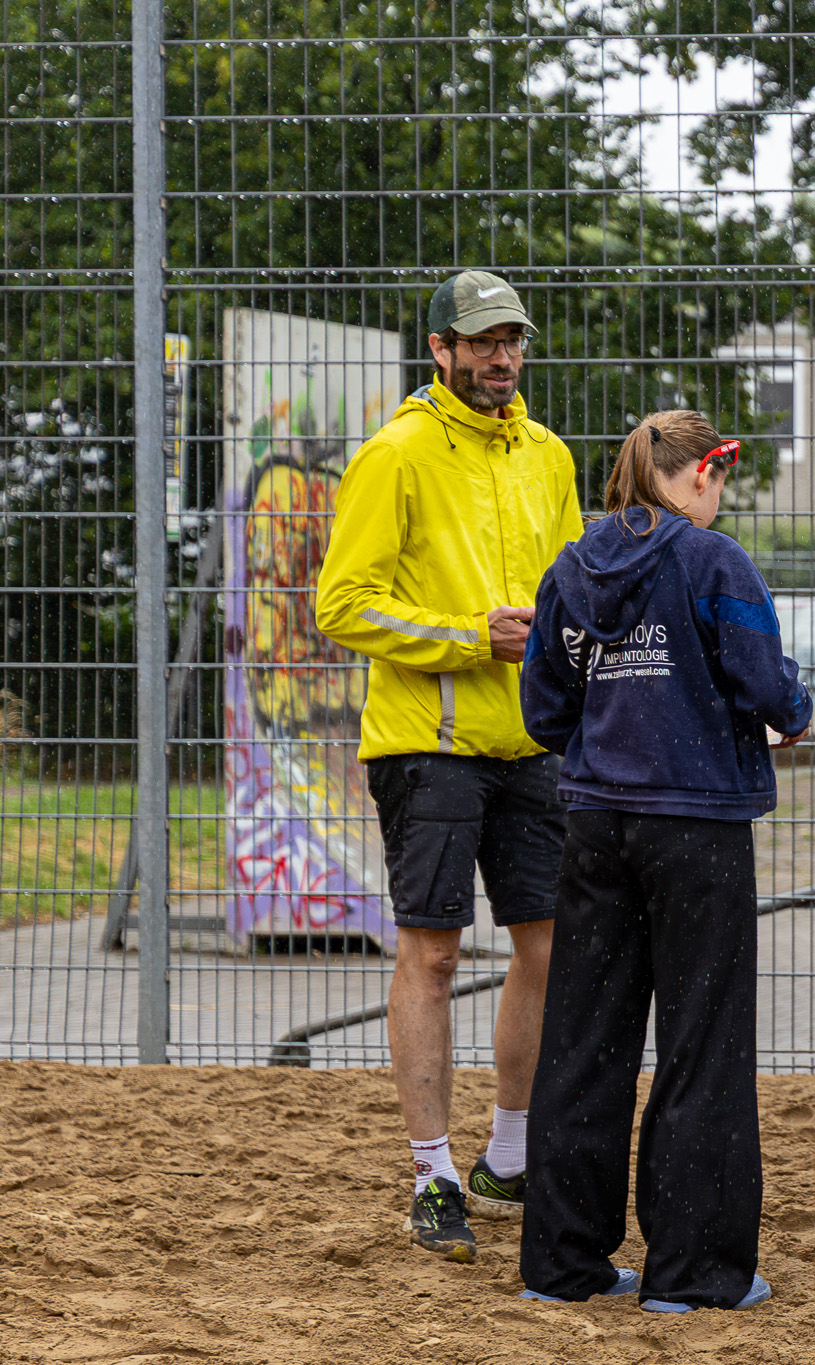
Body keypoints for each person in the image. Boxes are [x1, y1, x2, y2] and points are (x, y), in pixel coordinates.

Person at [515, 411, 812, 1310]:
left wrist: (610, 739)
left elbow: (543, 708)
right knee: (702, 1041)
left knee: (582, 1039)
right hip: (696, 822)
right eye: (720, 480)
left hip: (596, 820)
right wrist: (792, 708)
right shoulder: (714, 561)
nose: (719, 498)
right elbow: (766, 685)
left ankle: (563, 1265)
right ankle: (690, 1271)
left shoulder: (571, 568)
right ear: (700, 474)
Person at [315, 270, 582, 1262]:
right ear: (440, 349)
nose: (500, 357)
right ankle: (432, 1175)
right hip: (425, 744)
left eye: (511, 340)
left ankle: (507, 1157)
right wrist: (474, 637)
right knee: (431, 955)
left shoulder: (547, 454)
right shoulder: (395, 453)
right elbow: (343, 604)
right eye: (481, 342)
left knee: (549, 948)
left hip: (530, 743)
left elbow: (569, 592)